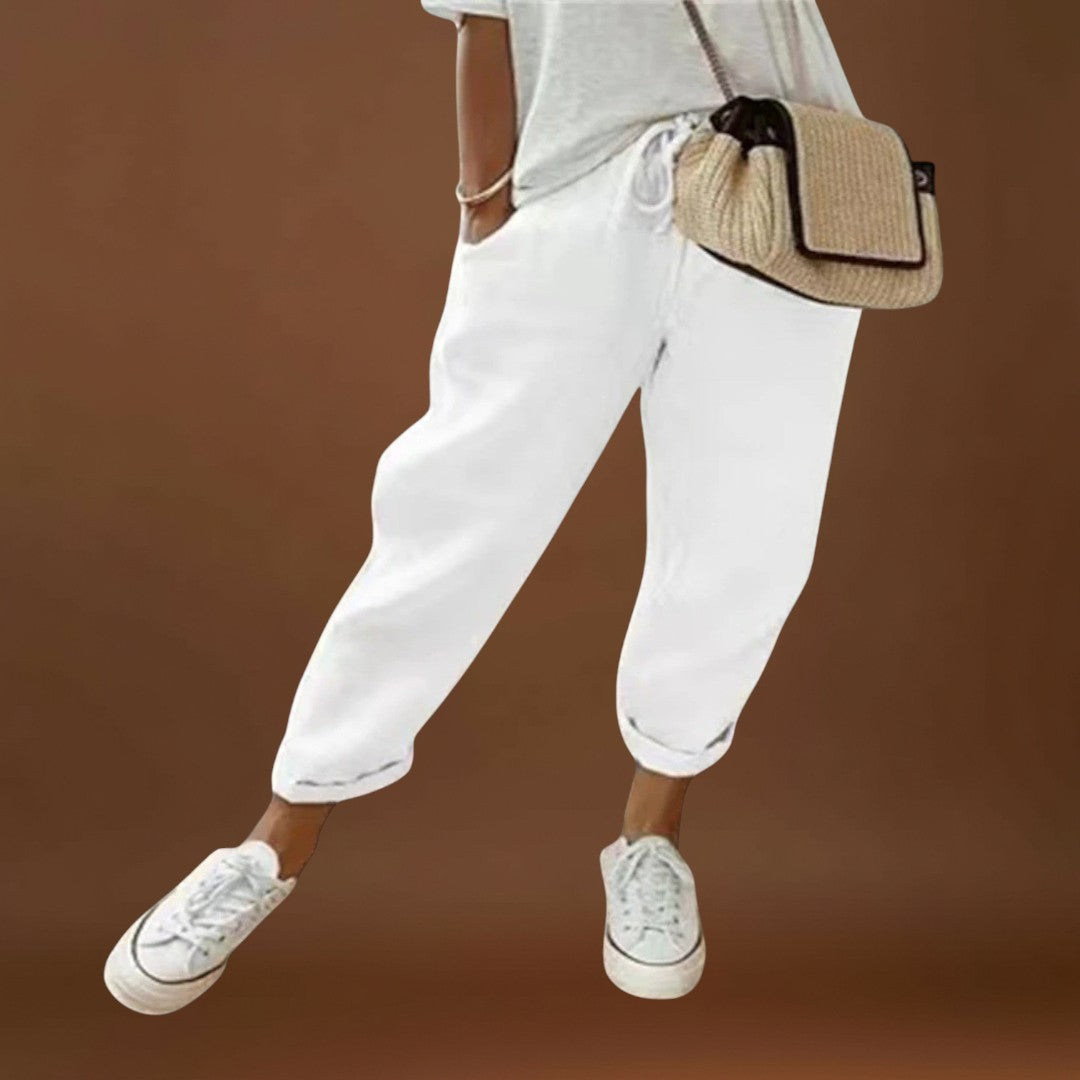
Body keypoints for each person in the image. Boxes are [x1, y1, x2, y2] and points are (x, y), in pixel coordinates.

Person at [104, 0, 866, 1010]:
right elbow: (483, 12)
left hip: (779, 173)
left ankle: (652, 835)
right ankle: (273, 842)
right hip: (574, 190)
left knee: (746, 538)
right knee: (449, 518)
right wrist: (484, 201)